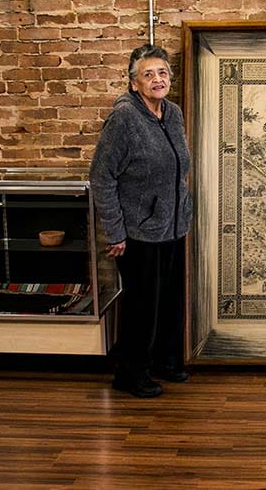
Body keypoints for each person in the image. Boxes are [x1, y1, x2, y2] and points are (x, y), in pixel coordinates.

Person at [89, 43, 193, 398]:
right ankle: (130, 373)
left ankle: (163, 361)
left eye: (162, 72)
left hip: (173, 226)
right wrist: (116, 232)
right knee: (141, 307)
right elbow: (102, 177)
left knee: (167, 302)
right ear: (134, 84)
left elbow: (177, 167)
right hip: (138, 232)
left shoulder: (173, 113)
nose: (157, 79)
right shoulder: (124, 119)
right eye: (148, 74)